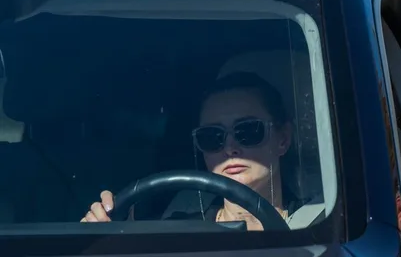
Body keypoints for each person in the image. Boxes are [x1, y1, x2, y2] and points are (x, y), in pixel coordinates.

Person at [81, 72, 297, 231]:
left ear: (283, 139)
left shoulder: (320, 228)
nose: (230, 148)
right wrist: (105, 234)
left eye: (249, 131)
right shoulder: (174, 229)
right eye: (212, 137)